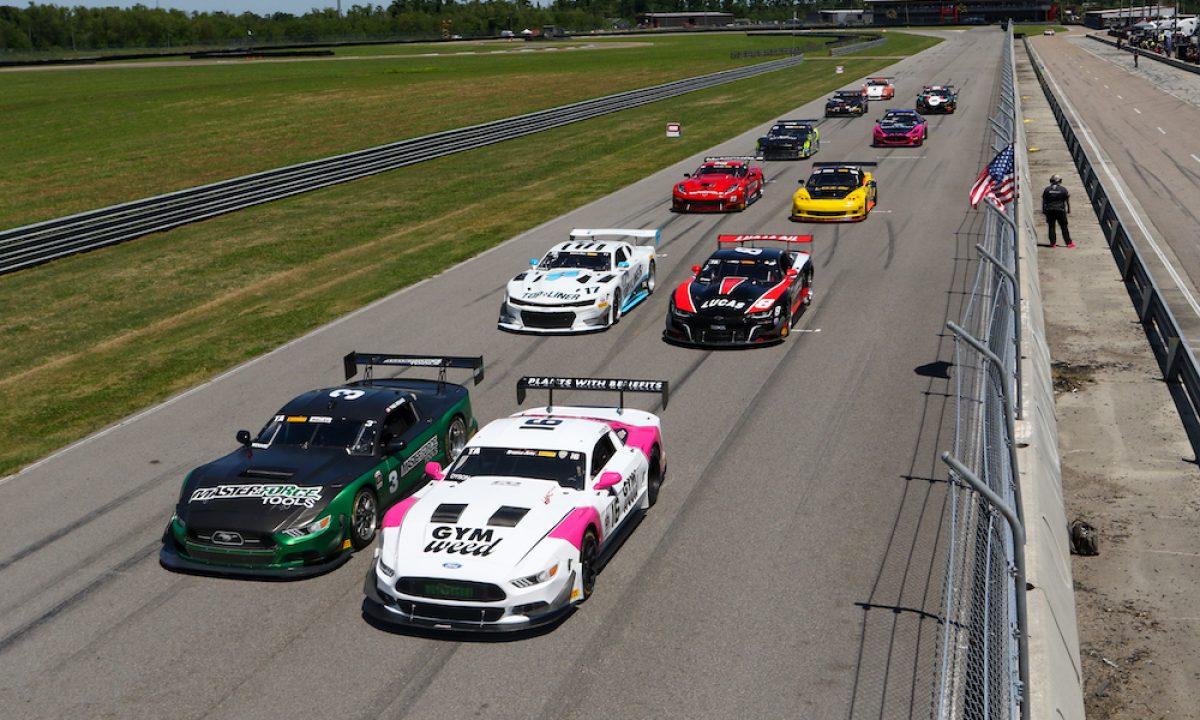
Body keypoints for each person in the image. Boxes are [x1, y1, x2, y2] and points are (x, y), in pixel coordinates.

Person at [1042, 174, 1073, 248]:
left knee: (1051, 227)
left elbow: (1044, 201)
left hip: (1049, 210)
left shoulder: (1047, 189)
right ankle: (1068, 243)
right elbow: (1067, 200)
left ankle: (1053, 243)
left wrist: (1043, 210)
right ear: (1059, 181)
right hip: (1060, 210)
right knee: (1064, 227)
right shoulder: (1063, 189)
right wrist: (1068, 209)